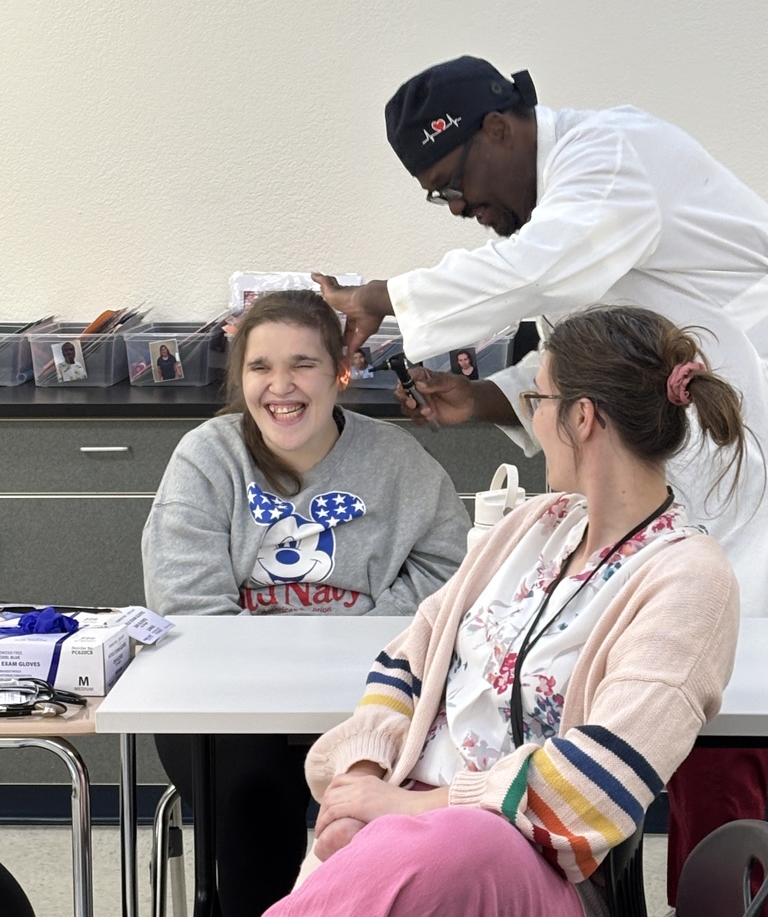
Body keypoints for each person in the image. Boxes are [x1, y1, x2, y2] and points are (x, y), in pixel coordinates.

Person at [312, 54, 768, 901]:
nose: (459, 209)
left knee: (725, 728)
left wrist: (384, 295)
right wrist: (487, 400)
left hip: (743, 466)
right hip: (663, 490)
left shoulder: (611, 159)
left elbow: (544, 279)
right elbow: (584, 348)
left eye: (454, 183)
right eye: (438, 198)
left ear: (499, 128)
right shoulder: (533, 532)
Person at [263, 304, 742, 917]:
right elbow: (407, 660)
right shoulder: (529, 528)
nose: (531, 420)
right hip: (402, 836)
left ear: (582, 417)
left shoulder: (688, 577)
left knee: (463, 842)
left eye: (536, 401)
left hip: (526, 866)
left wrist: (410, 809)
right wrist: (364, 776)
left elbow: (598, 782)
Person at [142, 289, 470, 917]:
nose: (281, 385)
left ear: (340, 373)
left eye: (304, 364)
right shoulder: (207, 458)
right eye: (261, 367)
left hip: (369, 695)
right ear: (241, 378)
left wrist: (355, 649)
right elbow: (188, 604)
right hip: (228, 701)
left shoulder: (397, 461)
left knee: (373, 815)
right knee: (252, 795)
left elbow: (449, 572)